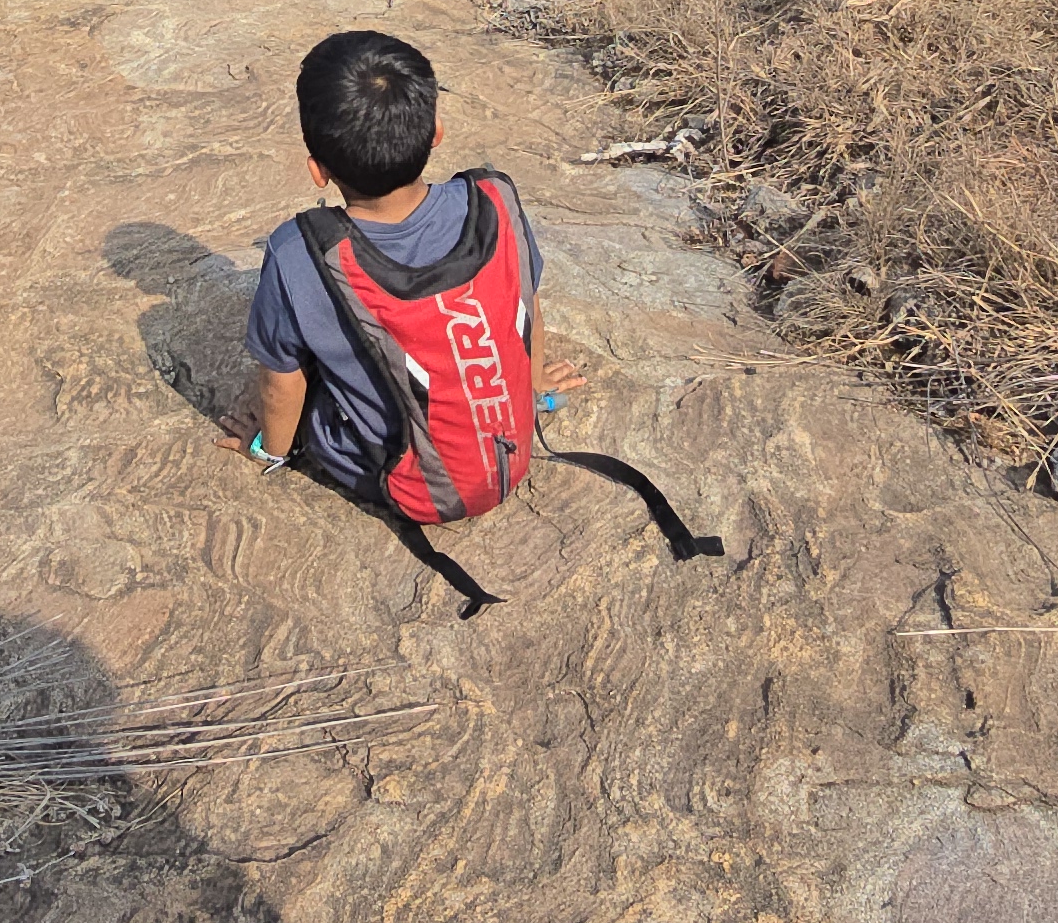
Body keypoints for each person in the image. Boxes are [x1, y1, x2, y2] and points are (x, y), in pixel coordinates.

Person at [238, 31, 721, 615]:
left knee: (314, 374)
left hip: (412, 488)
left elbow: (280, 381)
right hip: (509, 452)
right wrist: (534, 377)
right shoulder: (496, 201)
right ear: (436, 133)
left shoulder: (299, 254)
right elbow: (525, 300)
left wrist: (273, 449)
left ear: (317, 170)